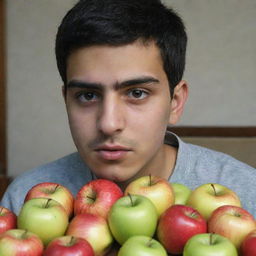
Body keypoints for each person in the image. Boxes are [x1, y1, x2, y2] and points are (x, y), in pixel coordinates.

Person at [1, 0, 255, 220]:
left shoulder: (244, 194)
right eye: (88, 95)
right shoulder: (25, 198)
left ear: (175, 102)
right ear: (66, 101)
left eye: (136, 93)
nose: (109, 123)